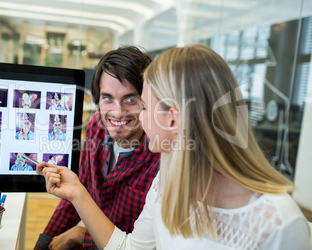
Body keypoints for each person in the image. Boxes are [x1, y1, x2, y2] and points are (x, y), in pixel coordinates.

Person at [38, 44, 311, 249]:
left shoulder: (281, 225)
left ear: (172, 118)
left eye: (142, 104)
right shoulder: (169, 177)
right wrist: (75, 194)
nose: (131, 116)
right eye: (108, 98)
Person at [34, 46, 160, 250]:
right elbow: (77, 191)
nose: (118, 113)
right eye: (108, 98)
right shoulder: (96, 127)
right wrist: (43, 243)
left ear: (147, 101)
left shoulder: (160, 159)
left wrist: (82, 235)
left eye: (130, 99)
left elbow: (144, 243)